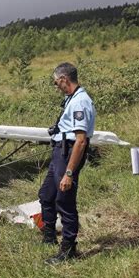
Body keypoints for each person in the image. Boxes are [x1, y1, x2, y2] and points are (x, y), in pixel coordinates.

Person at [39, 62, 96, 264]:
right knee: (46, 195)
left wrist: (69, 173)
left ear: (64, 79)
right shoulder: (70, 98)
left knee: (64, 200)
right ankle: (48, 236)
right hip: (59, 151)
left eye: (56, 83)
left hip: (68, 152)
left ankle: (68, 250)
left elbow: (81, 140)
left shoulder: (80, 102)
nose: (57, 87)